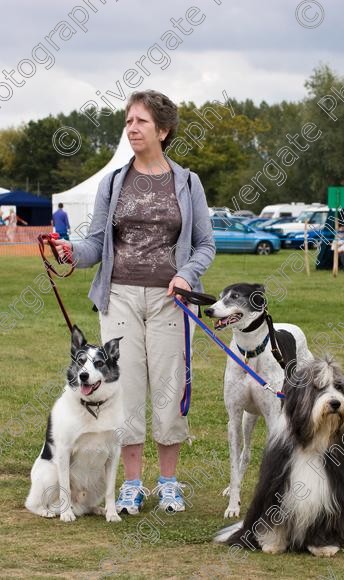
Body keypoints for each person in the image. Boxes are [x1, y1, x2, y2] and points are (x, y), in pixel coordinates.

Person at [50, 90, 216, 515]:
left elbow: (205, 245)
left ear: (163, 129)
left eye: (141, 121)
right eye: (128, 121)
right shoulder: (113, 181)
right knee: (125, 392)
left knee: (168, 390)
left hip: (170, 302)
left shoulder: (188, 182)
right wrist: (71, 251)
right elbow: (94, 244)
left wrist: (185, 275)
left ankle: (169, 484)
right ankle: (131, 486)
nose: (132, 128)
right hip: (119, 296)